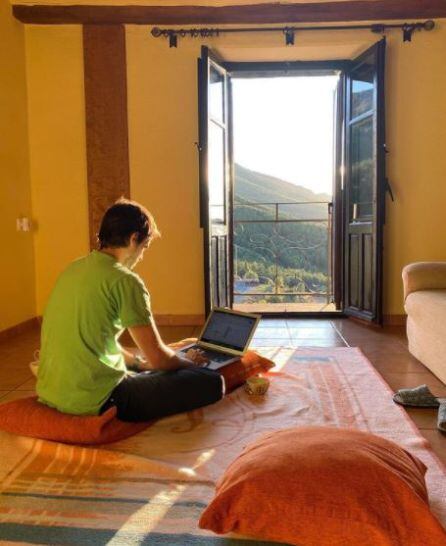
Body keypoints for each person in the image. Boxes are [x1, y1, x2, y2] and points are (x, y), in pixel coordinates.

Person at [36, 198, 224, 422]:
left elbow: (101, 341)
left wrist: (138, 364)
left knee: (148, 370)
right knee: (212, 381)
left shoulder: (74, 268)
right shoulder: (125, 281)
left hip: (51, 391)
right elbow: (160, 359)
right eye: (145, 247)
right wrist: (190, 363)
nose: (142, 255)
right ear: (134, 239)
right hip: (98, 399)